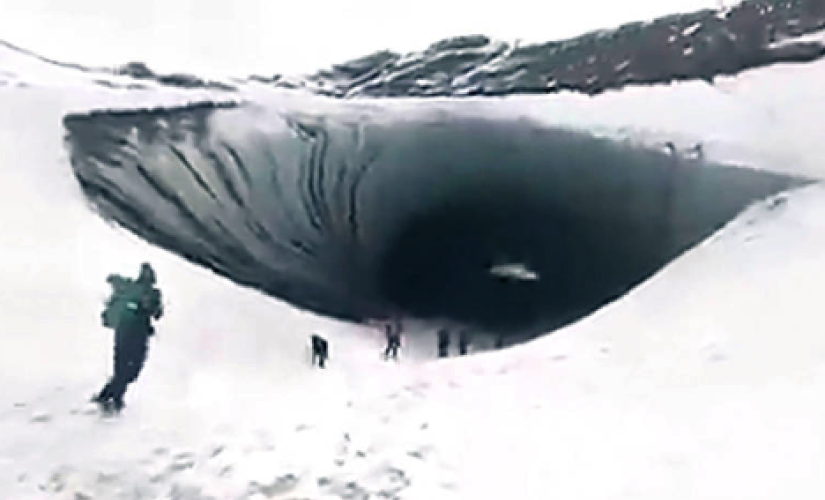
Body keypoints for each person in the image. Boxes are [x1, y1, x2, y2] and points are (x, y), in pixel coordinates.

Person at [93, 263, 163, 413]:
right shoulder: (147, 292)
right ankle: (111, 397)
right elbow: (157, 314)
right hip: (135, 335)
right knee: (130, 369)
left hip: (125, 334)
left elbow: (156, 312)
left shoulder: (134, 290)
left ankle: (110, 396)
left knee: (123, 368)